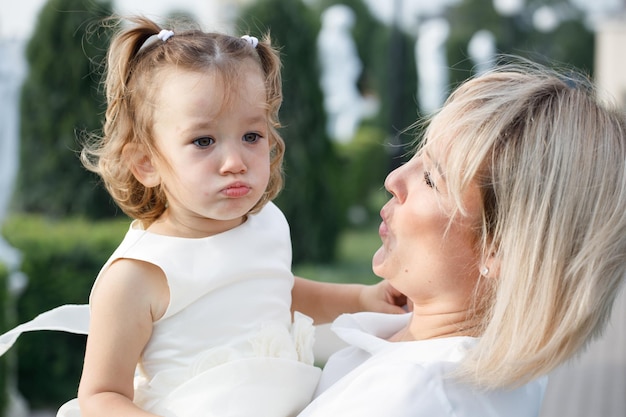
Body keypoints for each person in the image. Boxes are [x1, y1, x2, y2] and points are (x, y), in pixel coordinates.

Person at [0, 16, 405, 417]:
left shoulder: (267, 223)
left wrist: (360, 298)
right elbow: (102, 395)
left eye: (252, 136)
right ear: (146, 163)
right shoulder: (139, 274)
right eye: (203, 141)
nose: (234, 162)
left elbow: (276, 290)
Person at [297, 60, 626, 417]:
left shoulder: (413, 398)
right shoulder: (459, 370)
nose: (394, 178)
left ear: (499, 247)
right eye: (417, 155)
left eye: (431, 179)